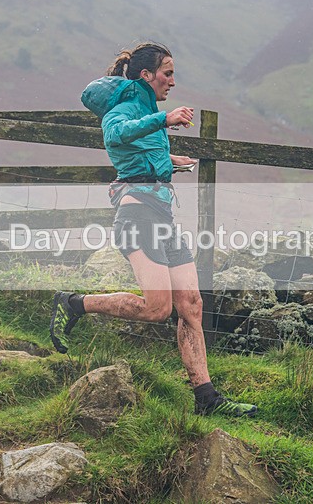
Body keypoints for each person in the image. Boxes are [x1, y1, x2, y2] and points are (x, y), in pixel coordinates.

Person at [50, 42, 257, 417]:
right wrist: (164, 121)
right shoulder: (125, 109)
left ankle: (207, 399)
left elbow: (136, 151)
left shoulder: (146, 109)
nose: (173, 82)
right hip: (137, 217)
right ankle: (74, 303)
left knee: (191, 305)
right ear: (146, 75)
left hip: (162, 217)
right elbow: (116, 136)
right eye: (168, 73)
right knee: (157, 309)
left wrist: (168, 159)